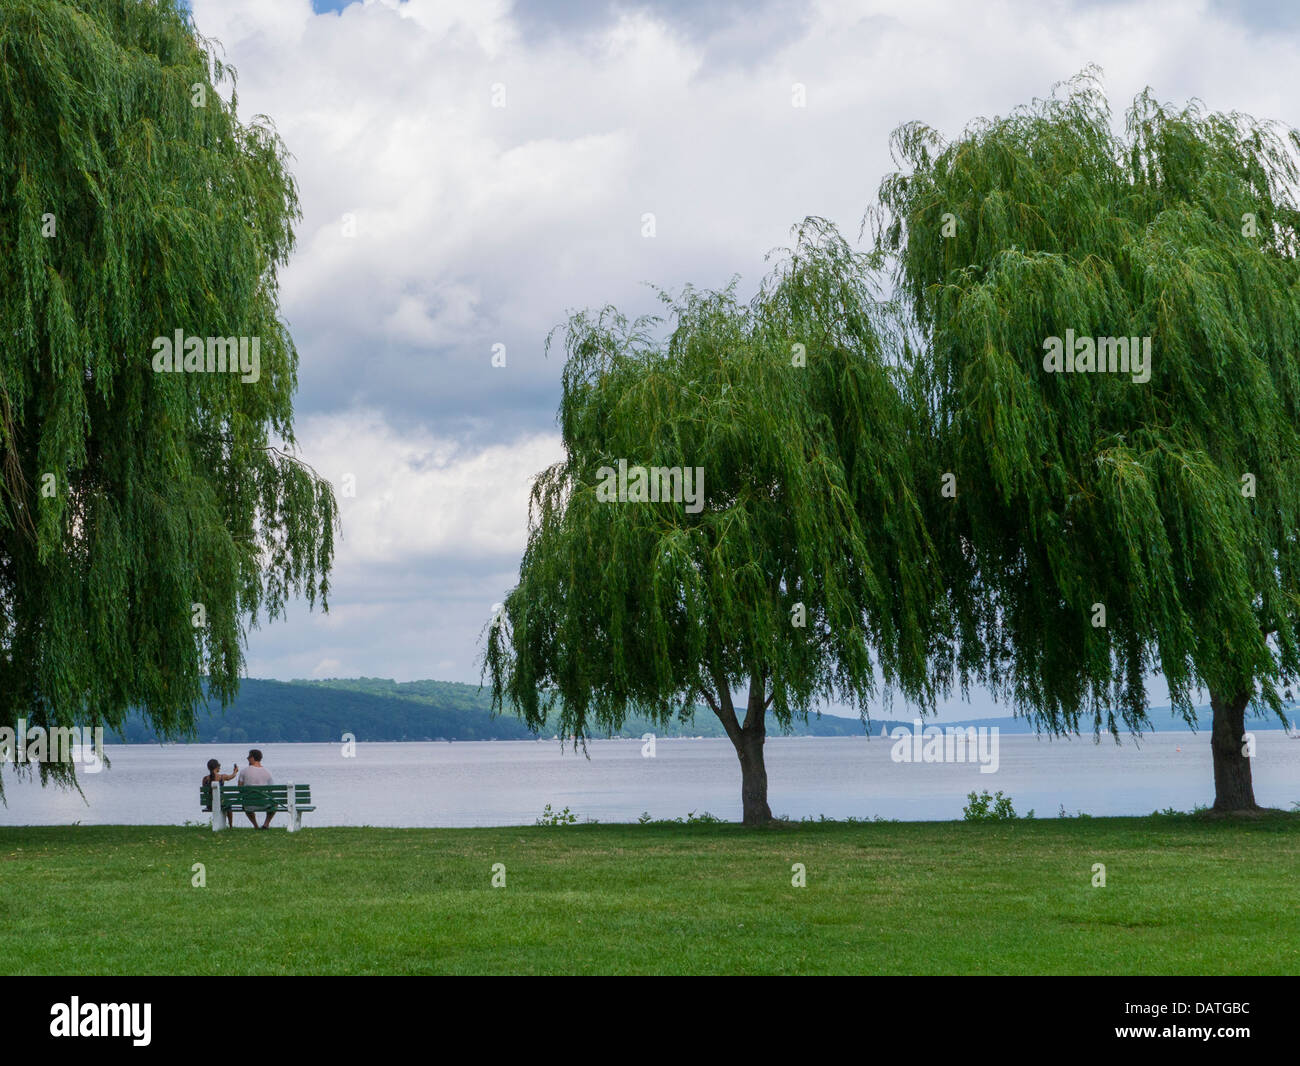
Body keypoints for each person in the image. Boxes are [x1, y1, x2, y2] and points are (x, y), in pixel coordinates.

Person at [237, 749, 276, 829]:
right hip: (264, 804)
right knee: (275, 804)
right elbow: (271, 790)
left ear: (252, 758)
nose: (247, 758)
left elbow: (240, 789)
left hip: (248, 805)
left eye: (249, 757)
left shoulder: (243, 771)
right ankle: (266, 824)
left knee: (245, 803)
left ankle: (255, 825)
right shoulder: (267, 772)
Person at [202, 758, 238, 828]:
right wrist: (235, 771)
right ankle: (230, 826)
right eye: (219, 767)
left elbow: (204, 792)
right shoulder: (222, 777)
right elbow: (232, 776)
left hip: (209, 805)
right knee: (228, 805)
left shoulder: (205, 779)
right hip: (221, 804)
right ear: (217, 767)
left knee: (224, 802)